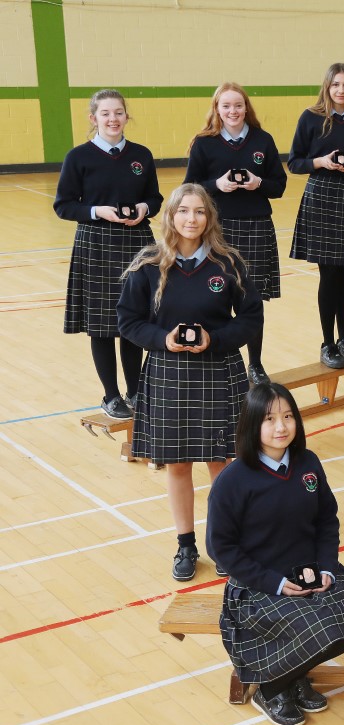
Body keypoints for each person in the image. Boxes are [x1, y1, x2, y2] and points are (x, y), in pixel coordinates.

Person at [117, 184, 263, 581]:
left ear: (209, 217)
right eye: (183, 211)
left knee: (222, 463)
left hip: (219, 370)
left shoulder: (228, 263)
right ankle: (185, 545)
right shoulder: (148, 264)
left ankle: (223, 543)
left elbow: (251, 318)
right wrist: (162, 339)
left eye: (199, 211)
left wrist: (214, 339)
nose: (191, 218)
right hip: (168, 373)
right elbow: (128, 321)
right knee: (178, 465)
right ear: (171, 216)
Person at [207, 383, 344, 725]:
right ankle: (272, 689)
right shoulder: (233, 480)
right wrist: (276, 583)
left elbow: (326, 520)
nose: (281, 427)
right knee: (318, 628)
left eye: (287, 416)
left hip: (309, 574)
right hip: (257, 586)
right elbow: (220, 548)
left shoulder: (308, 463)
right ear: (252, 425)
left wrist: (327, 568)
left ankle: (294, 677)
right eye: (269, 419)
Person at [55, 89, 163, 420]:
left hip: (137, 243)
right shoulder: (78, 157)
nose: (113, 119)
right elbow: (63, 205)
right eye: (105, 113)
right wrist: (97, 211)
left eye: (118, 112)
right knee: (101, 324)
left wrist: (143, 209)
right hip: (96, 244)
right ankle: (111, 396)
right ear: (94, 118)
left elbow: (155, 199)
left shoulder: (141, 155)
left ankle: (135, 391)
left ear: (126, 116)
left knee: (134, 318)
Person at [185, 82, 288, 385]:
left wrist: (258, 183)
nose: (233, 111)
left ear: (246, 108)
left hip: (257, 226)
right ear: (217, 109)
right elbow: (190, 187)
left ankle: (255, 364)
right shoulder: (204, 143)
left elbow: (279, 186)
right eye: (226, 106)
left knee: (251, 299)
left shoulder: (263, 140)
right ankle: (214, 358)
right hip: (217, 230)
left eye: (238, 105)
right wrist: (217, 185)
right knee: (213, 295)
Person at [288, 62, 344, 369]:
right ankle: (327, 343)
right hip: (321, 198)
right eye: (336, 85)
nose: (341, 90)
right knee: (329, 275)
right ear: (327, 87)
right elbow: (295, 162)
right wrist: (321, 162)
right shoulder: (311, 117)